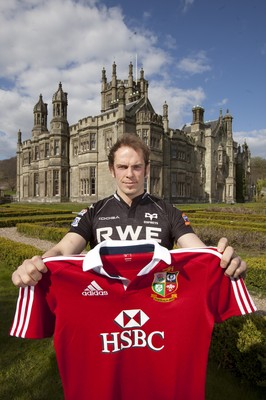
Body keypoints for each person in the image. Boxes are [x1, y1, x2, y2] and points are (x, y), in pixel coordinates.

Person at [11, 134, 247, 288]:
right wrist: (36, 264)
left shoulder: (168, 211)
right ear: (112, 170)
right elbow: (64, 248)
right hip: (106, 303)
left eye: (136, 167)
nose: (129, 173)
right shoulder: (94, 212)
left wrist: (222, 260)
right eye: (122, 166)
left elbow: (198, 251)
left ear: (146, 170)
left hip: (156, 301)